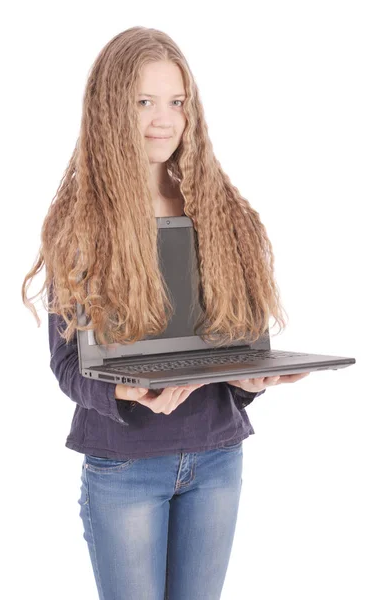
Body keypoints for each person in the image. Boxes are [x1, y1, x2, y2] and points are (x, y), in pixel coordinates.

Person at [21, 26, 310, 600]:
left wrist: (251, 380)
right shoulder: (80, 224)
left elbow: (239, 344)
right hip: (126, 468)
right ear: (109, 109)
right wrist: (125, 392)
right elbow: (65, 364)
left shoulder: (222, 213)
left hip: (218, 455)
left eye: (176, 102)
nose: (163, 119)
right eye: (144, 102)